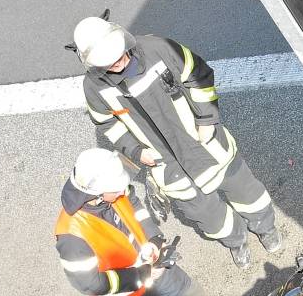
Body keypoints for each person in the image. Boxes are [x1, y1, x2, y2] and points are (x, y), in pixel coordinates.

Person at [71, 14, 282, 269]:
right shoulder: (94, 87)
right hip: (167, 165)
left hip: (205, 143)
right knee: (207, 215)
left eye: (118, 55)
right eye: (108, 62)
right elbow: (107, 124)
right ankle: (236, 241)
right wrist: (136, 152)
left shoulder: (158, 48)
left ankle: (265, 227)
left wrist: (206, 120)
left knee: (246, 191)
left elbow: (200, 76)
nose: (117, 62)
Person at [57, 147, 225, 296]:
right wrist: (142, 274)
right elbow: (91, 284)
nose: (123, 190)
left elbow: (136, 207)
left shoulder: (114, 189)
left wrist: (153, 239)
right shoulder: (72, 236)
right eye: (117, 188)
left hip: (155, 264)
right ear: (96, 194)